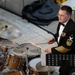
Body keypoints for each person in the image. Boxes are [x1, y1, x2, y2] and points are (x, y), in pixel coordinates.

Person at [45, 5, 75, 75]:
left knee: (64, 71)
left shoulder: (72, 29)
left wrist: (52, 50)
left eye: (62, 15)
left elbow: (66, 48)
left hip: (70, 55)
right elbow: (60, 33)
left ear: (69, 16)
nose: (59, 17)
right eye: (58, 14)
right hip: (63, 53)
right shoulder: (61, 21)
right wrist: (55, 38)